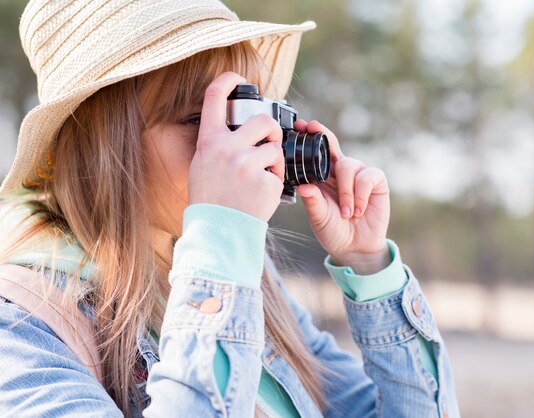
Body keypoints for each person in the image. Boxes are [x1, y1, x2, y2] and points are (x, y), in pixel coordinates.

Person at [0, 0, 460, 417]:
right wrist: (222, 242)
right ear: (103, 145)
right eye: (201, 120)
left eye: (246, 114)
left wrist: (368, 266)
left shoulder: (252, 280)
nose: (248, 147)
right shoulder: (20, 330)